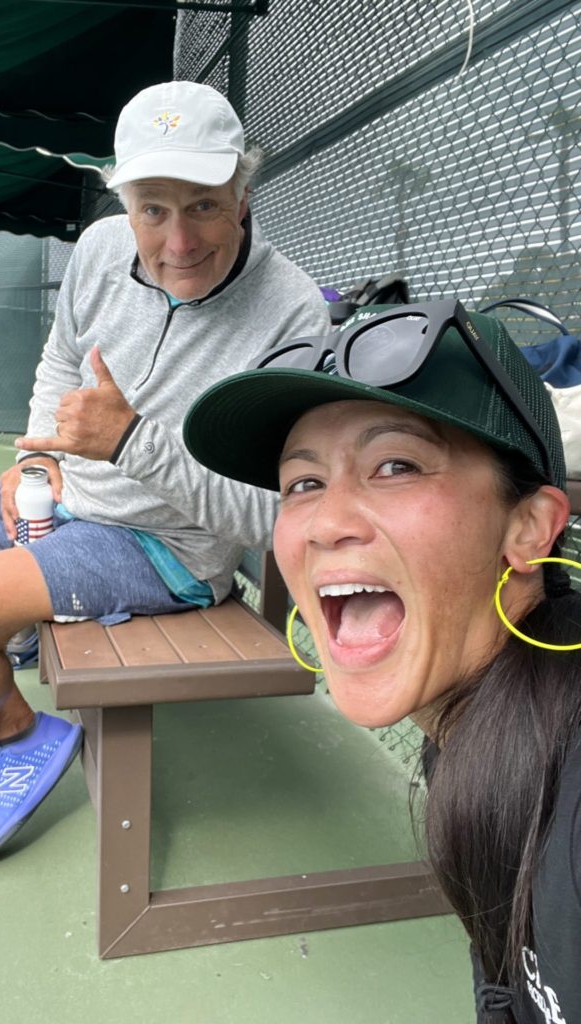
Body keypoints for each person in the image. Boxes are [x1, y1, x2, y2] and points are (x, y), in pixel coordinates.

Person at [0, 80, 330, 868]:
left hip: (165, 549)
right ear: (126, 202)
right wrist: (39, 456)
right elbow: (63, 357)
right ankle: (16, 728)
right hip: (64, 494)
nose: (176, 241)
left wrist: (133, 442)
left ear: (244, 192)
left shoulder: (293, 313)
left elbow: (278, 519)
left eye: (204, 205)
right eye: (152, 209)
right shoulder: (103, 249)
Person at [183, 299, 580, 1023]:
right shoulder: (467, 721)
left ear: (527, 528)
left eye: (395, 466)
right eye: (303, 483)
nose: (327, 524)